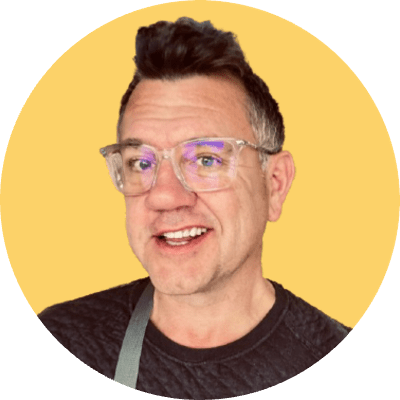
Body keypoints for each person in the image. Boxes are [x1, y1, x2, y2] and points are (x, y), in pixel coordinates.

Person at [38, 17, 351, 399]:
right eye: (141, 162)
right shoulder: (60, 344)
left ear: (274, 184)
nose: (164, 197)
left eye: (206, 159)